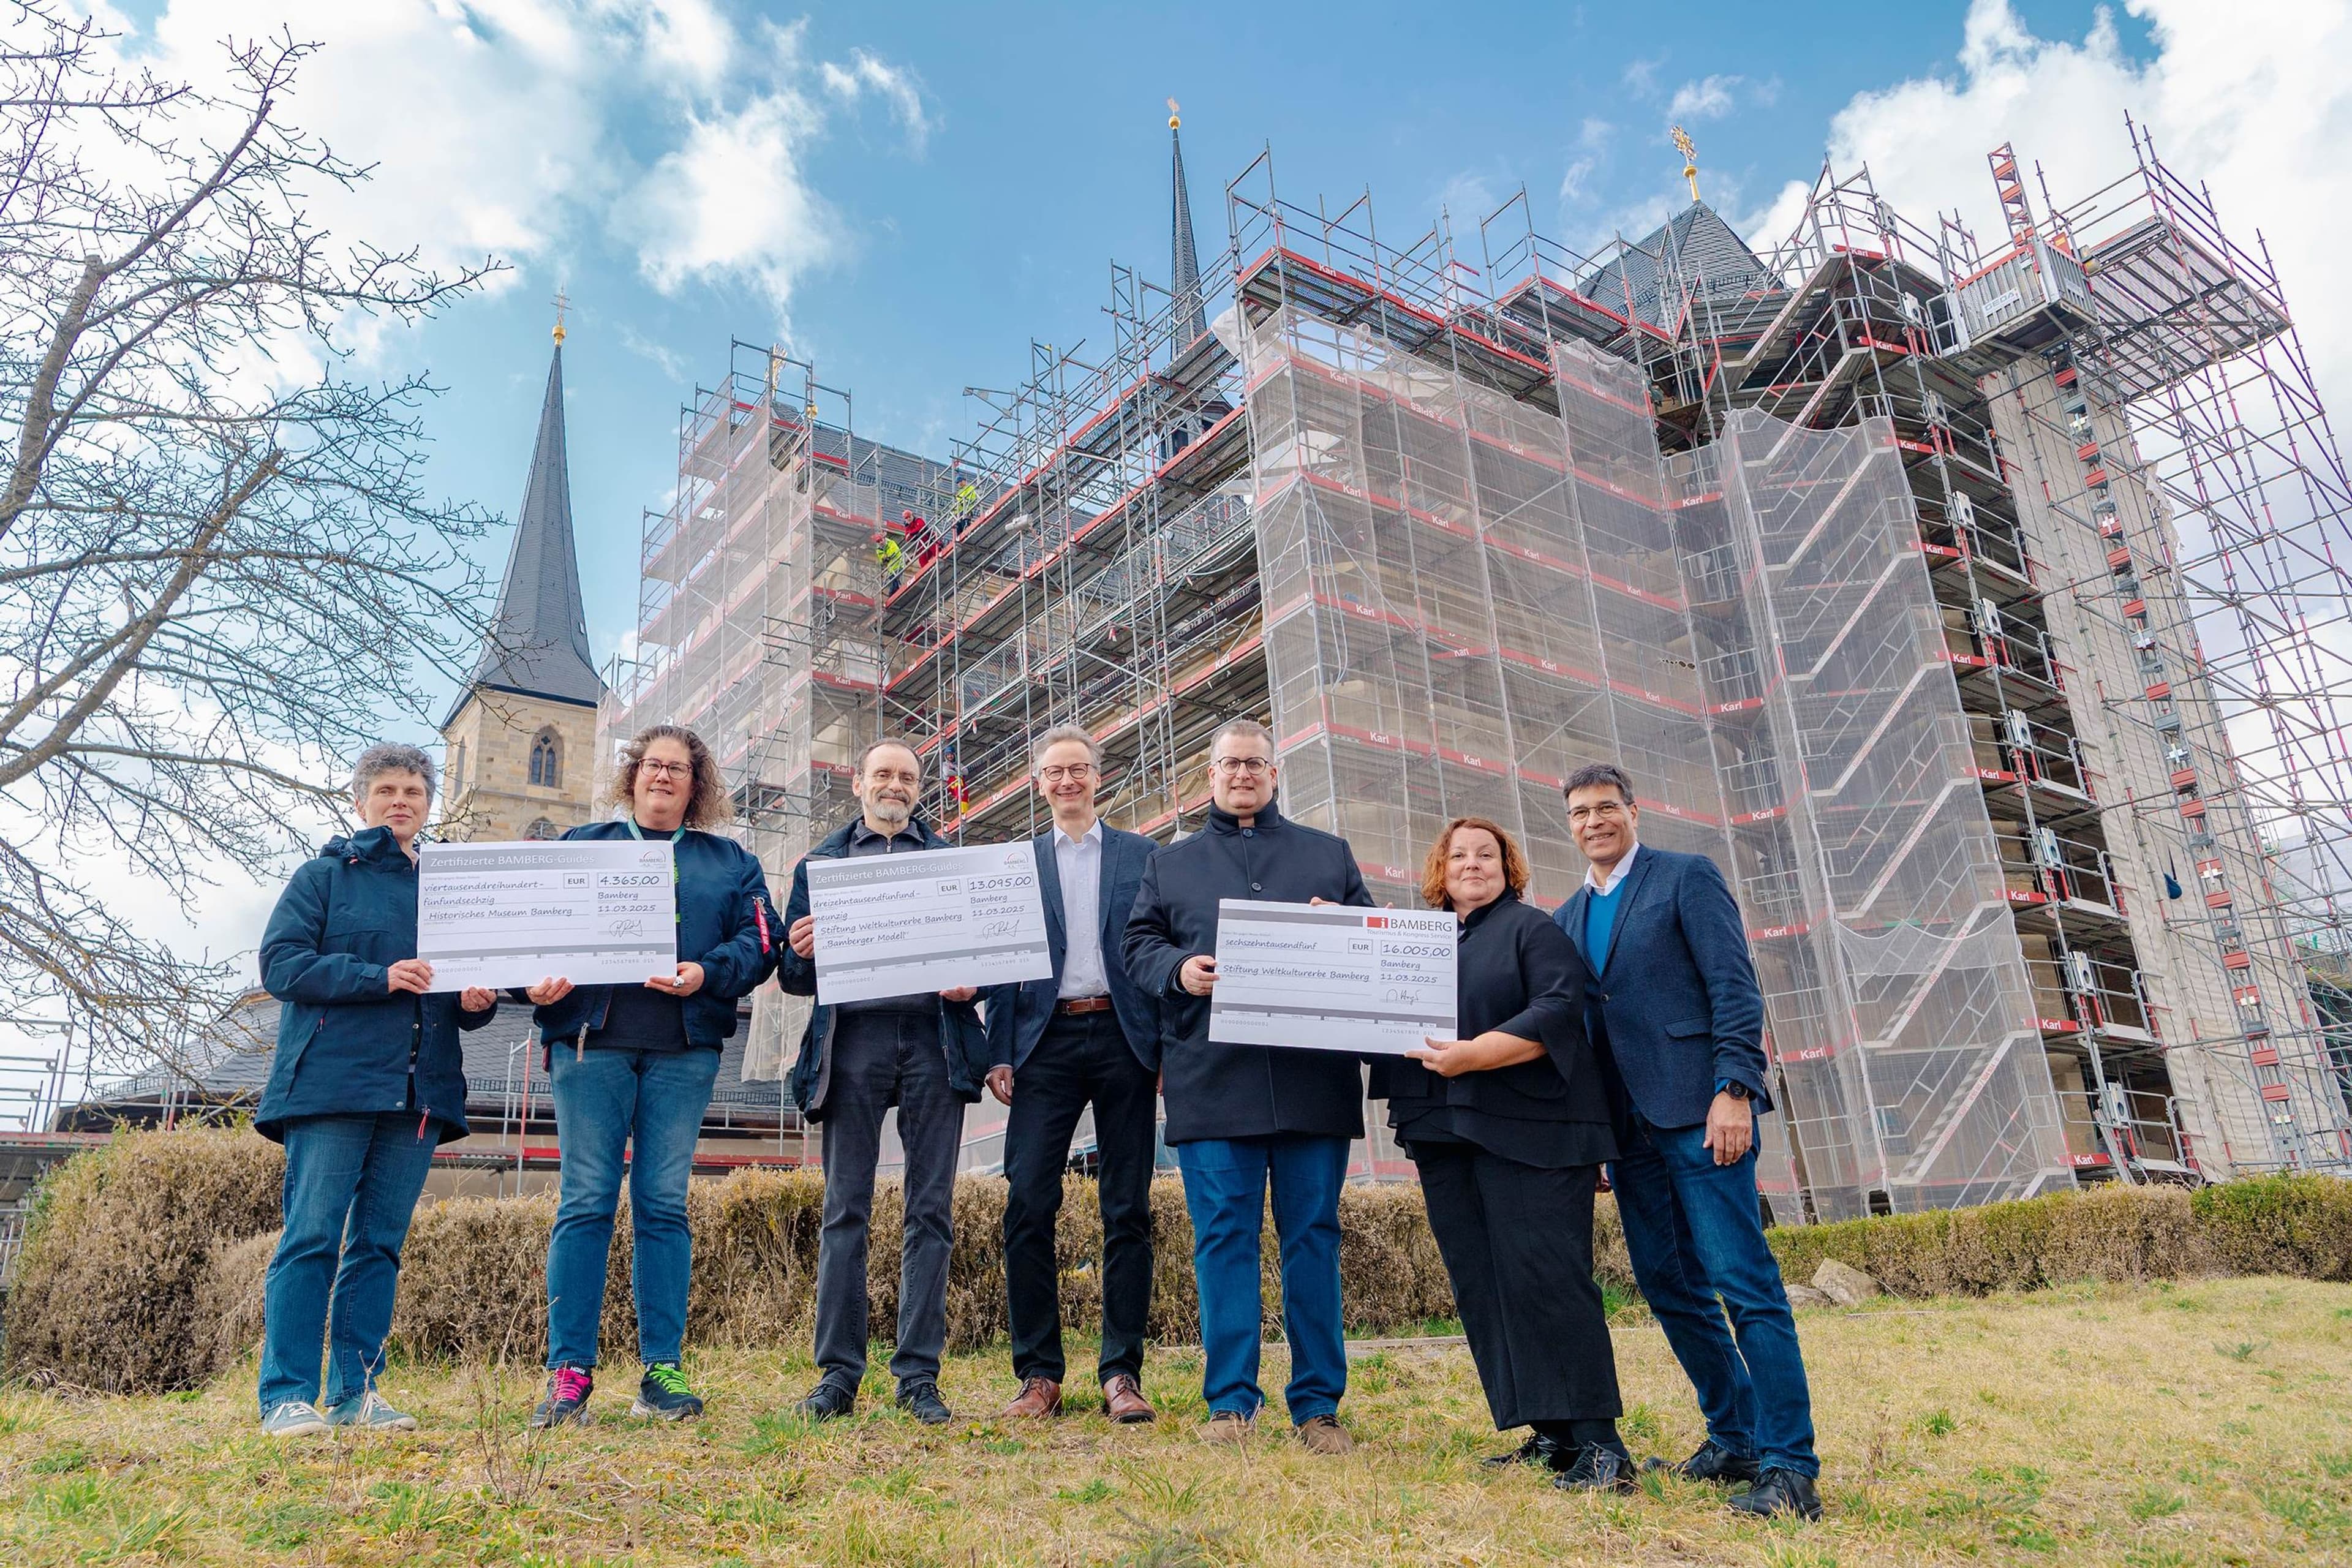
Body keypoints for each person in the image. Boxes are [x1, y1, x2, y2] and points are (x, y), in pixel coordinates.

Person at [1552, 762, 1822, 1521]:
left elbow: (1734, 985)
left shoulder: (1685, 878)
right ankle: (1733, 1435)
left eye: (1608, 807)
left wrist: (1734, 1088)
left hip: (1705, 1116)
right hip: (1629, 1134)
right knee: (1669, 1286)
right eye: (1580, 812)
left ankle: (1790, 1465)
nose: (1595, 820)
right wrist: (1597, 1136)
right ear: (1568, 824)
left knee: (1745, 1284)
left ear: (1635, 810)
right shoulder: (1567, 917)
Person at [521, 725, 780, 1429]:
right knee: (585, 1203)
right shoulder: (582, 846)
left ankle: (661, 1370)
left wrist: (706, 973)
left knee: (663, 1204)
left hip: (684, 1049)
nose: (663, 776)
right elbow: (530, 930)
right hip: (589, 1042)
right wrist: (532, 985)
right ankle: (569, 1372)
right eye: (652, 765)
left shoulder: (730, 861)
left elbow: (761, 943)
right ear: (633, 776)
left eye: (679, 768)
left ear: (697, 785)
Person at [1121, 718, 1368, 1455]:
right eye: (1229, 764)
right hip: (1212, 1077)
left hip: (1311, 1081)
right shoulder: (1171, 864)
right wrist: (1178, 971)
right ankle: (1230, 1402)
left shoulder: (1330, 855)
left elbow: (1373, 944)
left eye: (1255, 763)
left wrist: (1350, 927)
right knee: (1223, 1239)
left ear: (1275, 772)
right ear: (1210, 774)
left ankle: (1318, 1406)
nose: (1242, 774)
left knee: (1313, 1240)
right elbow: (1137, 945)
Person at [1381, 817, 1632, 1490]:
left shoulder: (1532, 929)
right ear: (1440, 869)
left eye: (1485, 854)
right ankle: (1550, 1431)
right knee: (1486, 1282)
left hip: (1536, 1133)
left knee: (1548, 1277)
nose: (1471, 864)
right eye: (1458, 855)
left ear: (1507, 866)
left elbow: (1558, 1012)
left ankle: (1603, 1445)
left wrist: (1472, 1056)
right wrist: (1335, 948)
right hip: (1445, 1132)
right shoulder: (1424, 942)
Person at [255, 743, 498, 1434]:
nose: (401, 801)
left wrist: (478, 998)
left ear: (429, 804)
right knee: (311, 1238)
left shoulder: (453, 885)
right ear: (360, 801)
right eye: (387, 790)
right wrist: (378, 976)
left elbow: (460, 993)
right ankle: (287, 1395)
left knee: (379, 1245)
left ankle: (358, 1392)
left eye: (414, 792)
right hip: (331, 1087)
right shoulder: (324, 875)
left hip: (418, 1092)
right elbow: (281, 964)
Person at [780, 737, 990, 1426]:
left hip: (936, 1038)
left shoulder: (954, 863)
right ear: (858, 783)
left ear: (919, 787)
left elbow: (987, 953)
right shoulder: (821, 865)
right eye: (883, 774)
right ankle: (838, 1375)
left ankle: (918, 1376)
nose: (894, 785)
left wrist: (974, 983)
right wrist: (799, 950)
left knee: (931, 1211)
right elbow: (794, 977)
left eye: (906, 776)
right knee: (846, 1208)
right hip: (855, 1041)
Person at [984, 726, 1163, 1425]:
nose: (1067, 782)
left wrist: (1164, 1050)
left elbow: (1157, 950)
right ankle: (1039, 1375)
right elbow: (1001, 961)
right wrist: (998, 1049)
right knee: (1027, 1202)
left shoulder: (1143, 856)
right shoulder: (1015, 863)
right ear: (1038, 781)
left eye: (1078, 770)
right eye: (1054, 772)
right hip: (1043, 1040)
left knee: (1128, 1208)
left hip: (1124, 1036)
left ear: (1098, 776)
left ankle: (1122, 1372)